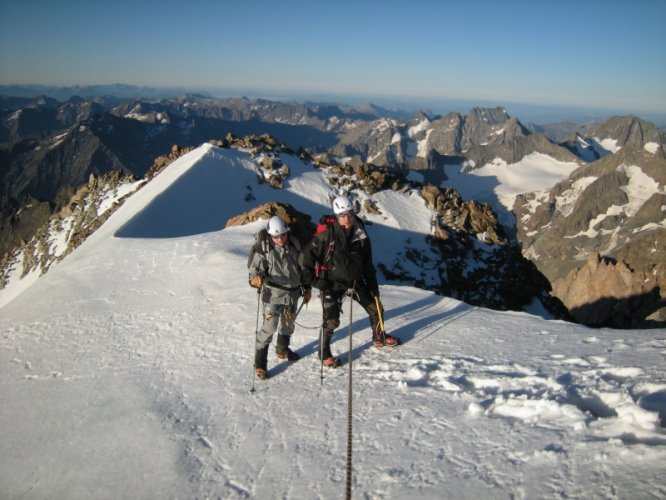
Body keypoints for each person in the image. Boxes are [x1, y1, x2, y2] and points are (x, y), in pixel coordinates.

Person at [299, 195, 400, 367]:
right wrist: (316, 282)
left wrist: (373, 286)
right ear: (337, 216)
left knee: (376, 309)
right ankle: (324, 353)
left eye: (349, 214)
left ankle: (379, 336)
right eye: (342, 215)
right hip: (331, 283)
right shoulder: (326, 235)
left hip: (355, 281)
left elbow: (367, 263)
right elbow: (304, 260)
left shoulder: (360, 235)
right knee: (331, 320)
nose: (347, 218)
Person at [248, 215, 311, 380]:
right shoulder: (265, 248)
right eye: (276, 236)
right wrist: (255, 278)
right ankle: (260, 363)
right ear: (270, 235)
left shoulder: (295, 244)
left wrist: (307, 287)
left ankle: (282, 350)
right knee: (270, 326)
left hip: (293, 292)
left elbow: (303, 268)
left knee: (288, 324)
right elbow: (255, 269)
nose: (280, 239)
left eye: (282, 235)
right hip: (272, 293)